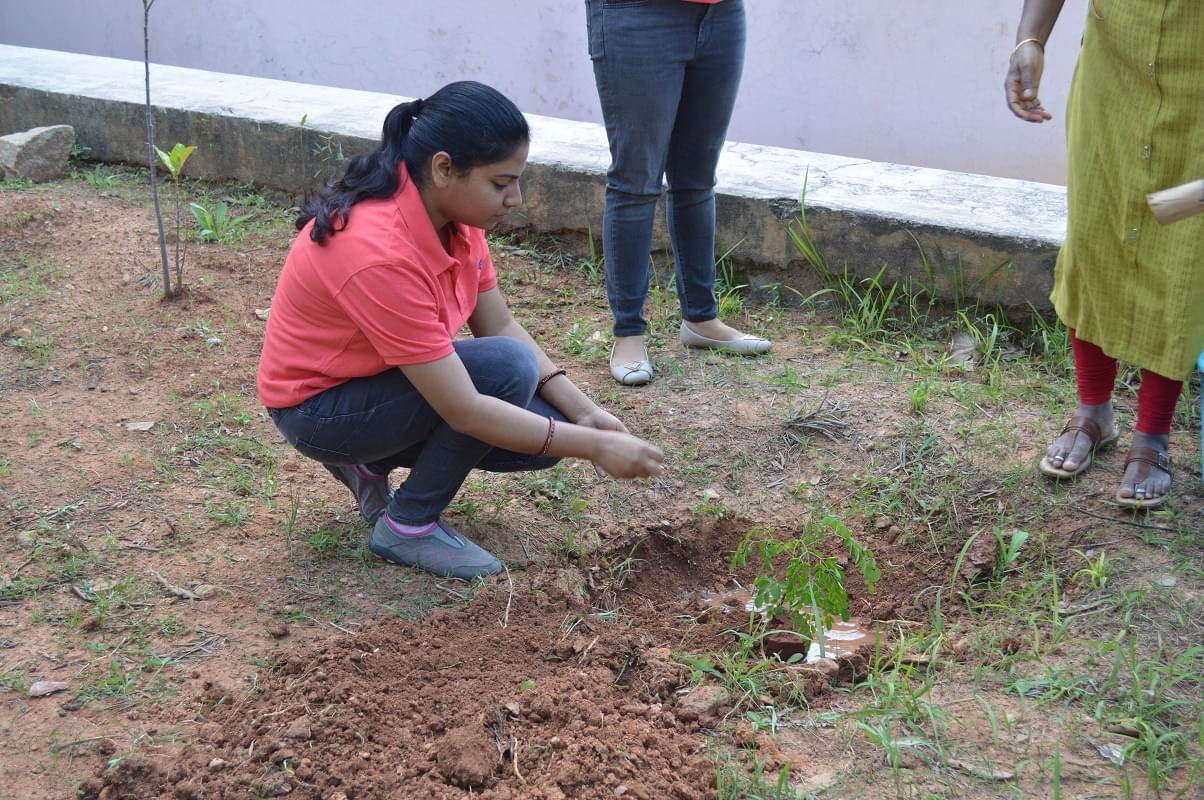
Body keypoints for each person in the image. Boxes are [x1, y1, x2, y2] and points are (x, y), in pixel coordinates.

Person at [257, 81, 664, 579]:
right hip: (318, 412)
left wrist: (588, 415)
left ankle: (369, 464)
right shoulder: (377, 250)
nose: (515, 198)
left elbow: (500, 322)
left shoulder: (453, 217)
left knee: (533, 430)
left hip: (377, 387)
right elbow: (464, 407)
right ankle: (408, 526)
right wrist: (594, 446)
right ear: (444, 168)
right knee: (506, 373)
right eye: (501, 183)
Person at [1006, 1, 1204, 508]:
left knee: (1185, 260)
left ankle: (1153, 435)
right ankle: (1093, 412)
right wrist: (1030, 40)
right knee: (1095, 237)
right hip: (1112, 77)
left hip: (1198, 101)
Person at [585, 0, 771, 387]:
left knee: (697, 177)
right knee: (636, 180)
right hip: (637, 13)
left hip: (721, 14)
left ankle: (701, 319)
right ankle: (628, 333)